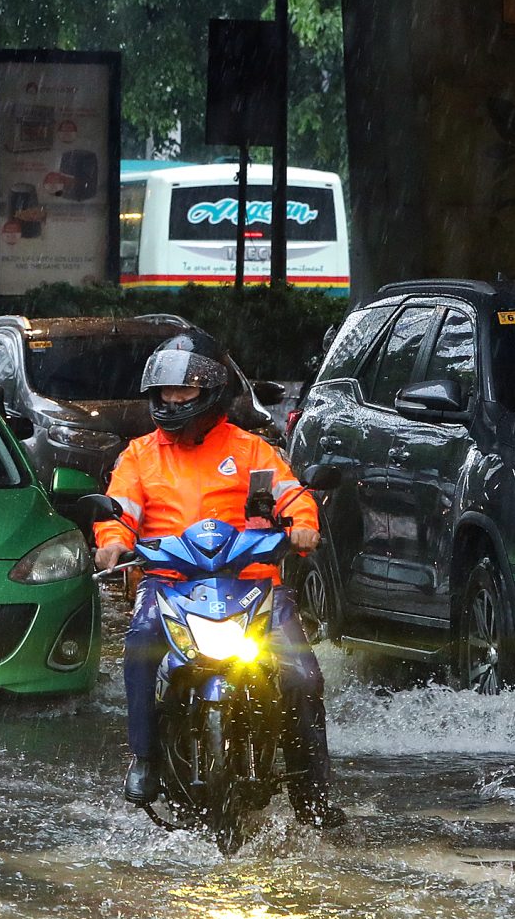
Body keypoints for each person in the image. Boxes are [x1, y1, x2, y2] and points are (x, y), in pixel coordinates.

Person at [91, 329, 339, 827]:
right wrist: (113, 541)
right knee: (139, 644)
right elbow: (119, 513)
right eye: (165, 392)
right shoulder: (139, 455)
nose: (171, 401)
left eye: (182, 392)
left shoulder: (250, 450)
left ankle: (311, 789)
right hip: (168, 583)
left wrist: (305, 526)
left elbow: (292, 495)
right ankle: (144, 760)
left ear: (209, 394)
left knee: (302, 675)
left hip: (251, 582)